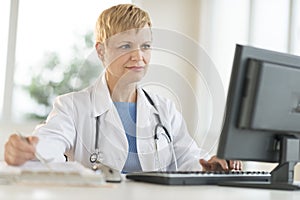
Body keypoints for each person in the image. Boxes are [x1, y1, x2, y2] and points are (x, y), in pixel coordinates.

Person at [4, 4, 241, 173]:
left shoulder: (164, 109)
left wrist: (208, 164)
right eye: (126, 46)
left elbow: (187, 158)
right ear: (101, 51)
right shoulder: (72, 106)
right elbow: (48, 143)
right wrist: (29, 150)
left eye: (145, 46)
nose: (138, 56)